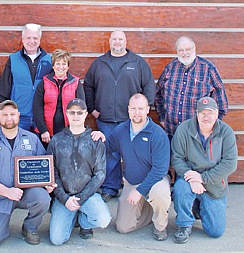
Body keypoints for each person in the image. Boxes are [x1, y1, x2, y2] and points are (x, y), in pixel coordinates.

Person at [84, 30, 156, 202]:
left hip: (131, 120)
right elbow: (88, 86)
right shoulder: (99, 63)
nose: (117, 42)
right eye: (114, 39)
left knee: (136, 153)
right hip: (106, 119)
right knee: (111, 154)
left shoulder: (137, 62)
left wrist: (144, 108)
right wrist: (92, 108)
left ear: (125, 41)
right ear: (109, 41)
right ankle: (110, 187)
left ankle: (140, 187)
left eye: (120, 39)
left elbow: (148, 86)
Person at [0, 100, 53, 246]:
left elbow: (44, 167)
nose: (9, 118)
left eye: (12, 114)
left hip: (24, 193)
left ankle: (29, 227)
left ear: (18, 115)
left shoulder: (31, 138)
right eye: (5, 115)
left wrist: (48, 183)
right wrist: (6, 191)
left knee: (43, 198)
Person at [171, 96, 237, 244]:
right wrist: (190, 176)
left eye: (210, 113)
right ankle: (184, 224)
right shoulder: (184, 129)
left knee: (215, 231)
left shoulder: (226, 132)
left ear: (217, 113)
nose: (206, 117)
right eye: (202, 113)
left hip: (214, 184)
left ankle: (198, 207)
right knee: (181, 188)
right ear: (196, 113)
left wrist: (202, 178)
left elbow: (230, 163)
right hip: (189, 180)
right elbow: (177, 158)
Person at [107, 94, 171, 241]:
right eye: (133, 109)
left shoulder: (157, 134)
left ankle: (160, 226)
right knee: (123, 227)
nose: (137, 113)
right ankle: (148, 210)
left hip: (156, 181)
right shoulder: (120, 130)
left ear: (147, 110)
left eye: (141, 109)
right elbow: (107, 147)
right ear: (128, 110)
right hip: (132, 181)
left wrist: (139, 191)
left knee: (160, 194)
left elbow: (160, 170)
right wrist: (98, 137)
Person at [47, 98, 111, 245]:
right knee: (57, 240)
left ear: (85, 114)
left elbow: (100, 174)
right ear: (67, 114)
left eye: (79, 113)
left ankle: (84, 222)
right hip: (65, 197)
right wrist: (64, 198)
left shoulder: (95, 140)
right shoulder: (56, 140)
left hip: (88, 195)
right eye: (72, 112)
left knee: (103, 219)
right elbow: (53, 173)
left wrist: (81, 198)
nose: (76, 116)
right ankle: (71, 217)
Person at [155, 36, 229, 139]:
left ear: (194, 49)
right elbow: (158, 94)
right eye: (181, 50)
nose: (185, 53)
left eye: (188, 49)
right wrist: (162, 117)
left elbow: (221, 103)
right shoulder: (170, 67)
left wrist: (210, 127)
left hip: (196, 136)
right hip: (171, 133)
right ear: (177, 51)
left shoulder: (208, 68)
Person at [0, 23, 52, 131]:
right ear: (23, 39)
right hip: (18, 117)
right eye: (28, 38)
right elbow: (2, 91)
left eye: (35, 38)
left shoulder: (49, 60)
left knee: (40, 148)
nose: (31, 41)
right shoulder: (13, 60)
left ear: (40, 39)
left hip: (42, 118)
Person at [33, 49, 85, 146]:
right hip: (47, 133)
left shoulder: (75, 83)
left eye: (64, 64)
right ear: (53, 65)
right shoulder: (44, 82)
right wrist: (43, 130)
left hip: (69, 132)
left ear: (68, 66)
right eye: (58, 63)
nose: (61, 67)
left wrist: (75, 131)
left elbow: (81, 109)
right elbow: (37, 108)